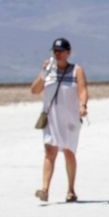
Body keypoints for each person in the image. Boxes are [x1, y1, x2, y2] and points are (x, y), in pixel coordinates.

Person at [29, 37, 88, 203]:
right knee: (49, 151)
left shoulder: (77, 70)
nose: (57, 54)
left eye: (61, 51)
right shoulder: (49, 70)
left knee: (69, 152)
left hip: (70, 118)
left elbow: (83, 90)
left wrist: (83, 105)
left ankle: (71, 189)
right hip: (51, 117)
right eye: (55, 51)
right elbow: (34, 90)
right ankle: (45, 189)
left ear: (68, 52)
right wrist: (44, 73)